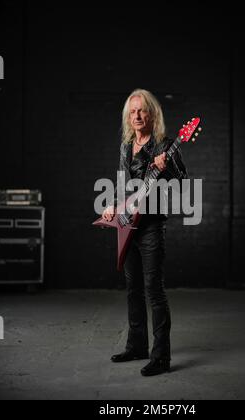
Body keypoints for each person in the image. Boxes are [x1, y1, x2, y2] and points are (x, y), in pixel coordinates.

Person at [102, 89, 188, 376]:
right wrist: (113, 207)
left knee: (155, 291)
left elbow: (182, 179)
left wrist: (167, 165)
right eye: (132, 111)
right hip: (128, 225)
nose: (137, 115)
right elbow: (122, 182)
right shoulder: (127, 145)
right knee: (133, 290)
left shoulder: (164, 145)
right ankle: (136, 346)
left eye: (142, 110)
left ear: (152, 114)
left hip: (151, 227)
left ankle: (161, 357)